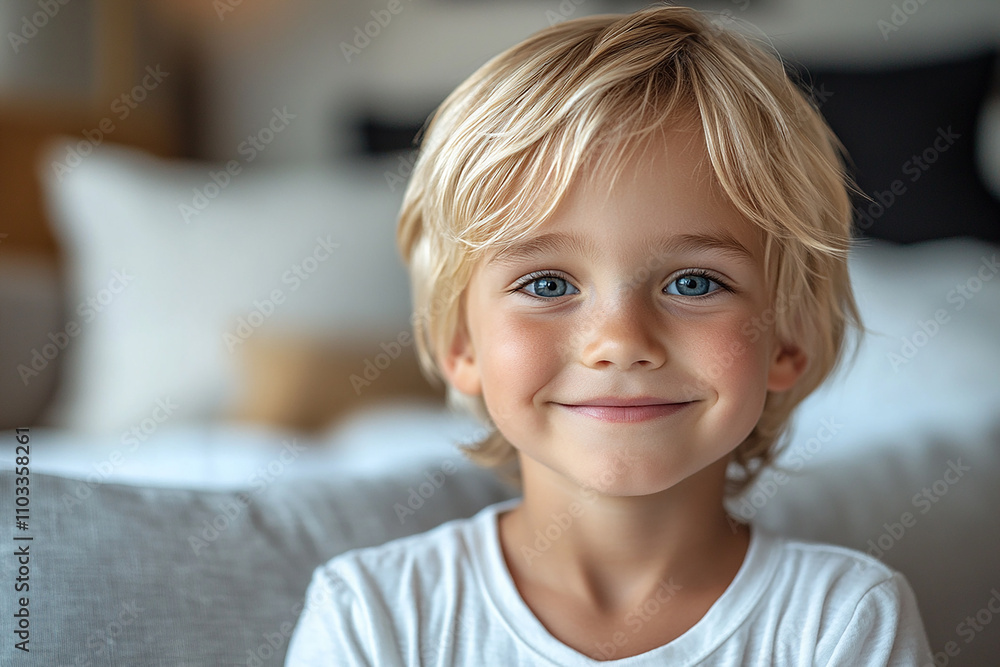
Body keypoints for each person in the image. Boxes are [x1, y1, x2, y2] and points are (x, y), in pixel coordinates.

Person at [286, 4, 933, 664]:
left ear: (788, 338)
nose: (621, 340)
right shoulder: (372, 614)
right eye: (547, 285)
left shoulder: (841, 619)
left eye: (693, 283)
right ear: (462, 345)